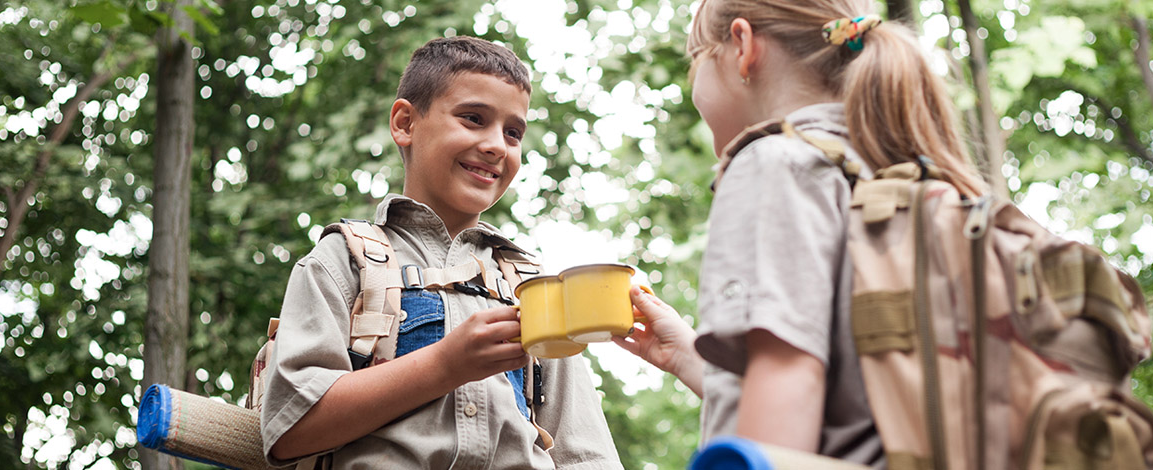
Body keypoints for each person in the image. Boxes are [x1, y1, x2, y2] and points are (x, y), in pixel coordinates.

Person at [613, 0, 986, 467]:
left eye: (697, 61)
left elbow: (783, 419)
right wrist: (688, 357)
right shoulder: (899, 178)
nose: (694, 85)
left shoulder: (775, 164)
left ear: (742, 47)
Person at [261, 36, 622, 469]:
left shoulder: (532, 286)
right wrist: (445, 365)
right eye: (473, 119)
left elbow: (586, 454)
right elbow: (288, 429)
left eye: (513, 132)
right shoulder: (343, 261)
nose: (497, 145)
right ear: (405, 124)